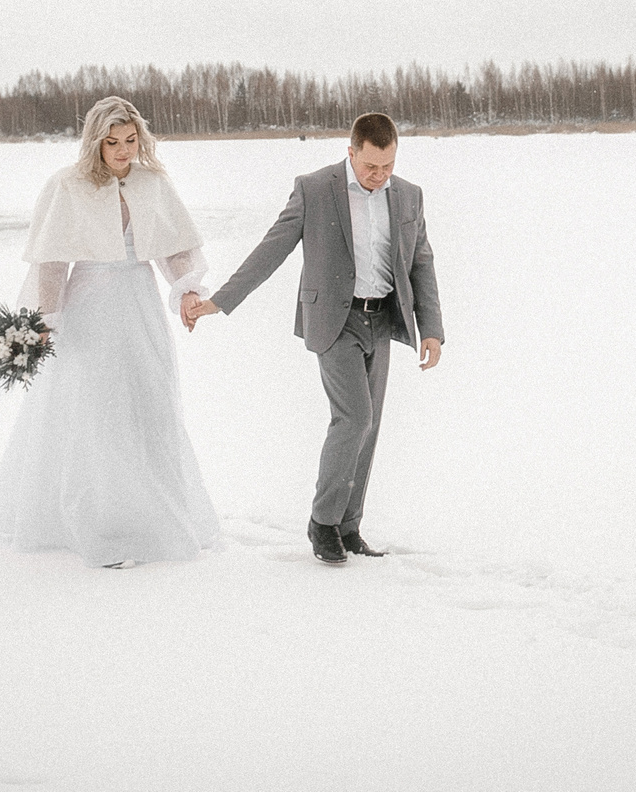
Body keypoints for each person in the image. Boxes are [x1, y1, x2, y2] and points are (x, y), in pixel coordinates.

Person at [182, 112, 445, 566]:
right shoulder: (315, 188)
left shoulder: (408, 196)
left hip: (381, 319)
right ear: (351, 153)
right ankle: (322, 523)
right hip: (333, 321)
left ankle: (349, 526)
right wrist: (220, 300)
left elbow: (421, 261)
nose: (379, 176)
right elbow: (272, 248)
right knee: (354, 417)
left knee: (370, 425)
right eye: (370, 167)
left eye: (387, 166)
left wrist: (432, 329)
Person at [0, 97, 220, 568]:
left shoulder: (153, 183)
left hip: (139, 304)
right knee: (94, 410)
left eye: (130, 141)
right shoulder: (67, 185)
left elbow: (175, 250)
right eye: (112, 143)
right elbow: (51, 264)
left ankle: (152, 520)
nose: (123, 151)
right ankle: (97, 526)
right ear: (95, 142)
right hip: (89, 306)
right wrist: (42, 323)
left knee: (148, 403)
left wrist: (188, 292)